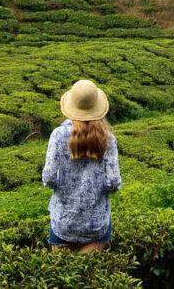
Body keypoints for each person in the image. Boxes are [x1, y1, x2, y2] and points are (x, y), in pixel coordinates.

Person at [42, 79, 121, 252]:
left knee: (62, 275)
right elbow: (114, 182)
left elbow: (48, 178)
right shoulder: (108, 139)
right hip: (96, 224)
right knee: (89, 276)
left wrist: (65, 186)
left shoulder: (58, 135)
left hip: (63, 222)